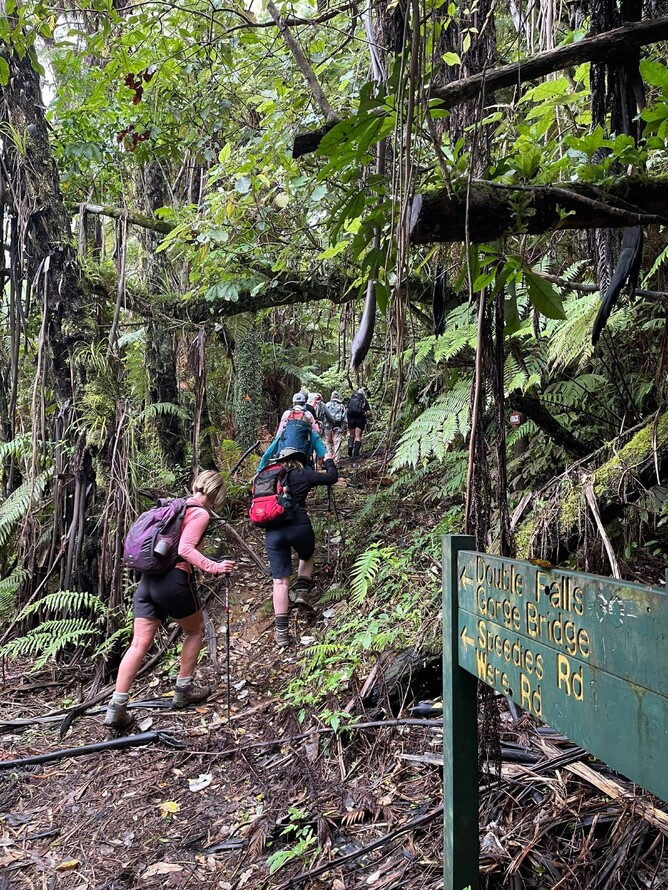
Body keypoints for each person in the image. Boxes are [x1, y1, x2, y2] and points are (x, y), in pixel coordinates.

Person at [104, 471, 235, 730]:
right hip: (173, 581)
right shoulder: (199, 513)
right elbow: (186, 549)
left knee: (138, 643)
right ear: (217, 493)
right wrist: (215, 567)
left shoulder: (172, 508)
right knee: (195, 630)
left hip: (147, 583)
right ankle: (183, 690)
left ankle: (116, 707)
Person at [262, 447, 338, 647]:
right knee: (307, 555)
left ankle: (281, 634)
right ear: (298, 461)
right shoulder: (302, 474)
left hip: (273, 532)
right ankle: (302, 592)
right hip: (299, 526)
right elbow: (331, 478)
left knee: (279, 582)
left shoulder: (268, 478)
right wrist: (328, 460)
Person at [346, 388, 371, 458]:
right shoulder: (364, 401)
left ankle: (350, 446)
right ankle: (356, 454)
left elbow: (347, 410)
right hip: (360, 419)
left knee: (351, 435)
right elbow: (369, 412)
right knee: (358, 436)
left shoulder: (351, 400)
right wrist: (367, 414)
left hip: (351, 418)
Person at [324, 391, 347, 462]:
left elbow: (324, 416)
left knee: (328, 442)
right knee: (337, 442)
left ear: (331, 397)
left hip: (327, 426)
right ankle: (336, 459)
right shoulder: (342, 406)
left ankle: (329, 458)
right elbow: (344, 419)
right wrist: (345, 429)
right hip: (338, 426)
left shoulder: (326, 405)